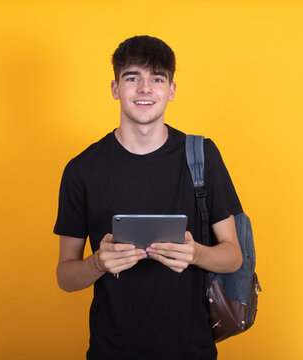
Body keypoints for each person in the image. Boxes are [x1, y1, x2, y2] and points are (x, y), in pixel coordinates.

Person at [54, 35, 244, 360]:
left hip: (192, 350)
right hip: (111, 351)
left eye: (156, 78)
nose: (145, 89)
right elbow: (65, 277)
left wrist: (195, 254)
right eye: (132, 78)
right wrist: (97, 262)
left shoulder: (202, 156)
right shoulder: (81, 169)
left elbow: (233, 257)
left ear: (170, 91)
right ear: (115, 89)